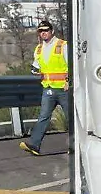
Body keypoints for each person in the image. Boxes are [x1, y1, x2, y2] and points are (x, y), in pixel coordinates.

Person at [20, 20, 70, 156]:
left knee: (71, 118)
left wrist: (68, 81)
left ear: (52, 31)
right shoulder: (39, 49)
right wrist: (35, 70)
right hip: (48, 87)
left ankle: (76, 146)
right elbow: (36, 66)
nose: (44, 33)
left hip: (63, 89)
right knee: (43, 117)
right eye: (41, 31)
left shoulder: (62, 45)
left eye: (46, 30)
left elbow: (72, 65)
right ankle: (34, 145)